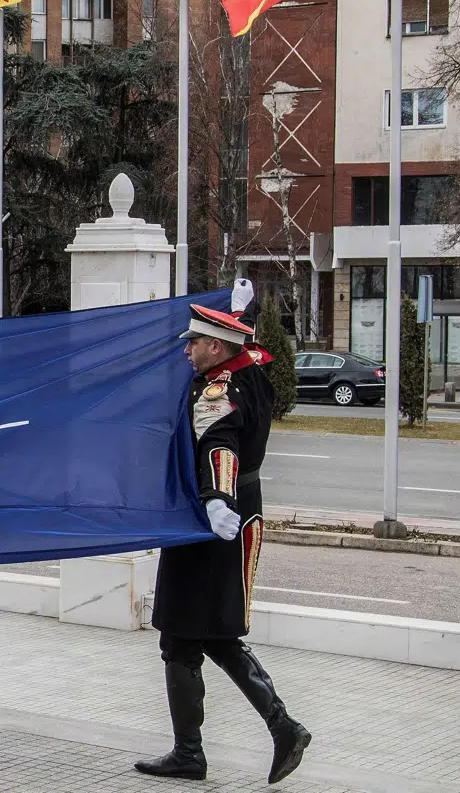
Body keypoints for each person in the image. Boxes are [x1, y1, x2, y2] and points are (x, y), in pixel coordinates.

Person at [136, 303, 310, 785]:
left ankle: (202, 750)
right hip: (239, 512)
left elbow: (219, 444)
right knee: (207, 632)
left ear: (216, 347)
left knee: (182, 631)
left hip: (213, 521)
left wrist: (215, 500)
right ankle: (274, 729)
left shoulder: (218, 390)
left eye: (194, 343)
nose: (188, 351)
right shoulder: (249, 370)